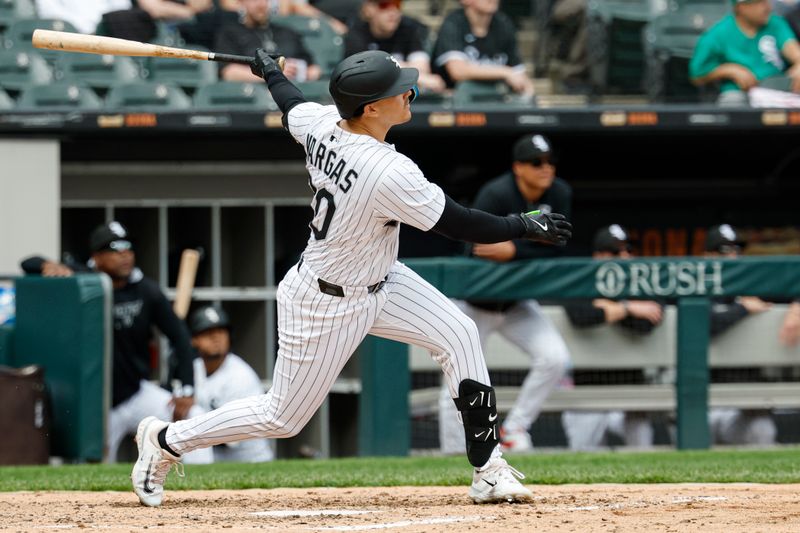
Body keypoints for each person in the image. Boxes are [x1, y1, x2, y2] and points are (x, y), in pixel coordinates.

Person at [130, 49, 573, 507]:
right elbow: (460, 224)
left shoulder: (323, 122)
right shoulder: (386, 170)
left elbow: (290, 105)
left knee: (459, 333)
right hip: (326, 300)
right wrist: (523, 224)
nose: (410, 92)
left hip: (382, 278)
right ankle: (165, 439)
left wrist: (271, 73)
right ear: (371, 108)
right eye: (398, 90)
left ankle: (488, 469)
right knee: (282, 417)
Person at [19, 222, 205, 462]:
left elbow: (180, 337)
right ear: (96, 257)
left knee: (194, 419)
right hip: (96, 402)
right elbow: (27, 263)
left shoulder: (145, 290)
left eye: (128, 249)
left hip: (136, 392)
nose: (124, 256)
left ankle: (199, 492)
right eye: (115, 250)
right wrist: (48, 265)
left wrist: (187, 389)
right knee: (89, 467)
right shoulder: (80, 279)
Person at [438, 133, 571, 455]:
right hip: (475, 304)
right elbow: (479, 248)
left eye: (550, 162)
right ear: (518, 167)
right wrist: (528, 246)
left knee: (555, 358)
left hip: (516, 304)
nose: (546, 169)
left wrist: (514, 250)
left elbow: (560, 249)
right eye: (537, 163)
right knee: (457, 379)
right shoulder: (497, 194)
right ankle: (453, 453)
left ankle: (514, 428)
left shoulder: (560, 193)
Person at [560, 224, 664, 450]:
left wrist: (609, 308)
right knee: (581, 460)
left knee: (642, 452)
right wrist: (628, 307)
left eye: (627, 250)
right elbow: (579, 315)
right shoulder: (582, 281)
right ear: (598, 256)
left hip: (631, 391)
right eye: (615, 252)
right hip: (587, 392)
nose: (623, 256)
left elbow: (647, 322)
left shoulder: (641, 283)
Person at [704, 224, 778, 445]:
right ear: (708, 255)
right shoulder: (695, 286)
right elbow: (707, 324)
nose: (733, 256)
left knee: (763, 429)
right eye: (725, 251)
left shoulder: (753, 284)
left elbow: (788, 290)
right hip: (706, 397)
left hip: (746, 400)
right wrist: (743, 309)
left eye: (737, 250)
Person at [186, 305, 274, 463]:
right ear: (194, 340)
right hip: (215, 458)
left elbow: (230, 439)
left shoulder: (240, 376)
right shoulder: (193, 369)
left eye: (221, 331)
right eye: (208, 332)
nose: (216, 338)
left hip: (250, 461)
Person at [689, 0, 800, 106]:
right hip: (740, 94)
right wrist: (728, 70)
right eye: (759, 2)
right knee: (732, 102)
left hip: (778, 91)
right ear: (741, 7)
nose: (768, 7)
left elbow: (794, 51)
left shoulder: (776, 23)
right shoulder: (718, 34)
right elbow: (697, 75)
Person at [431, 0, 534, 96]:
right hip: (453, 103)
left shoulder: (503, 24)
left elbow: (519, 74)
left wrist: (530, 99)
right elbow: (458, 71)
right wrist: (505, 72)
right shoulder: (453, 23)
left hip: (494, 102)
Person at [344, 0, 445, 92]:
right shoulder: (357, 32)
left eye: (397, 4)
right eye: (384, 5)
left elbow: (422, 70)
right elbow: (367, 73)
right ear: (369, 9)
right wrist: (411, 72)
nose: (393, 12)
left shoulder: (409, 28)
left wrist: (386, 68)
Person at [214, 0, 321, 83]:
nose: (261, 4)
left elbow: (314, 69)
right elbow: (229, 73)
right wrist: (273, 73)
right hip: (255, 96)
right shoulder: (230, 33)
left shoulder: (287, 31)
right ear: (241, 2)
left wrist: (301, 73)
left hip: (293, 92)